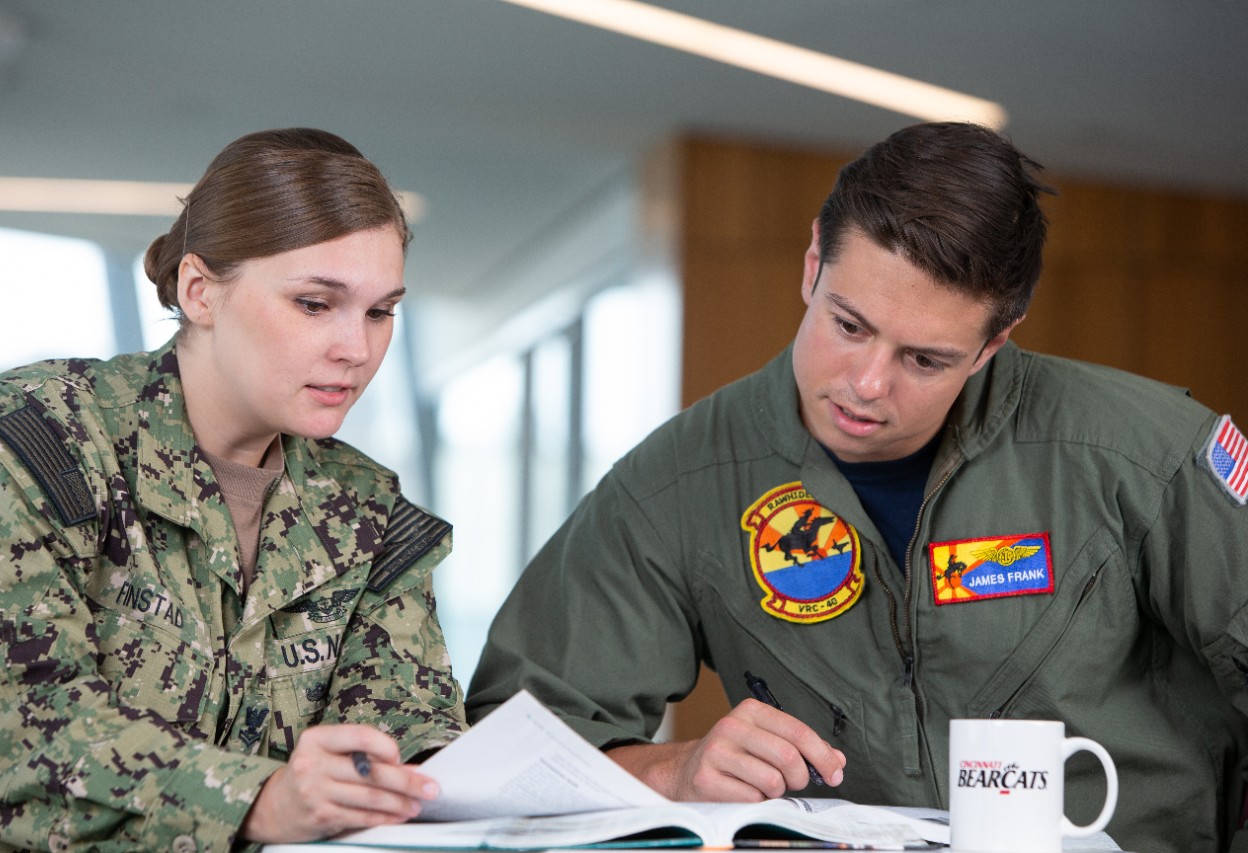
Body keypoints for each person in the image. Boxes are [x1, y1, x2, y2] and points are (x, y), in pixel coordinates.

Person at [465, 122, 1248, 853]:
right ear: (813, 265)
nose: (867, 385)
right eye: (849, 324)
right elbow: (514, 744)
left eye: (925, 359)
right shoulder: (675, 482)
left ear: (993, 343)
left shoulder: (1148, 455)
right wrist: (676, 772)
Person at [0, 128, 465, 850]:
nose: (356, 349)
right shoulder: (42, 441)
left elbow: (405, 720)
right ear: (200, 292)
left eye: (380, 311)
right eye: (315, 304)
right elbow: (8, 733)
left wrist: (439, 775)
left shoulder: (368, 512)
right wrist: (260, 799)